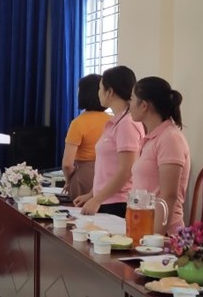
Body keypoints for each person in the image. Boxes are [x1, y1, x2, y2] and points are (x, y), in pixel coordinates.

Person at [74, 66, 144, 218]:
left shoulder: (127, 123)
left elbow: (126, 170)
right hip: (107, 200)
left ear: (110, 91)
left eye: (100, 88)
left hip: (118, 202)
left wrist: (97, 199)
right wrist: (92, 194)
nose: (98, 93)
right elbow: (108, 169)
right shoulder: (116, 121)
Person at [129, 77, 191, 235]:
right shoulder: (152, 137)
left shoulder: (170, 138)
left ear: (144, 105)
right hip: (143, 226)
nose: (129, 104)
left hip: (162, 233)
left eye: (132, 99)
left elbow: (169, 196)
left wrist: (155, 238)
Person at [62, 74, 109, 200]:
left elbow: (67, 164)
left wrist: (69, 180)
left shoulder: (78, 123)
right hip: (108, 176)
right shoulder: (113, 121)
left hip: (84, 176)